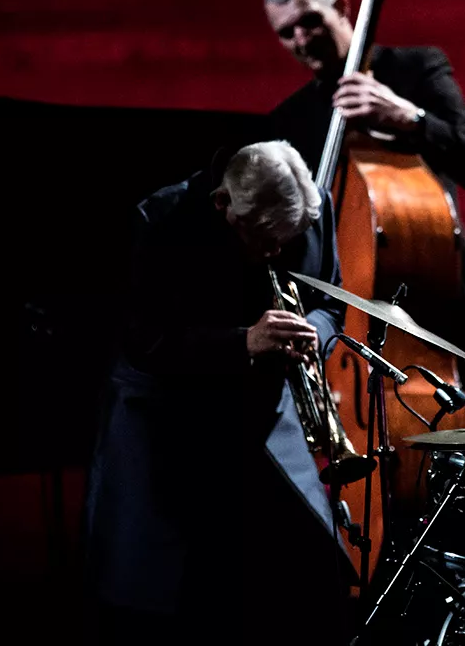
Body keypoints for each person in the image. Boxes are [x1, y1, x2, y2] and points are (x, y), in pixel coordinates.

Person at [83, 141, 356, 645]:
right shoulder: (161, 220)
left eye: (288, 240)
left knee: (315, 575)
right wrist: (244, 341)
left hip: (263, 412)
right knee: (179, 602)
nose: (275, 254)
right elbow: (145, 341)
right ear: (222, 204)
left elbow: (330, 299)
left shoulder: (311, 208)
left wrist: (312, 329)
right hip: (170, 418)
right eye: (265, 241)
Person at [263, 0, 465, 401]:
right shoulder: (288, 120)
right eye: (287, 32)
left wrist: (408, 116)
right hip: (342, 325)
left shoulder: (414, 69)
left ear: (341, 7)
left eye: (310, 21)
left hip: (428, 309)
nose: (301, 39)